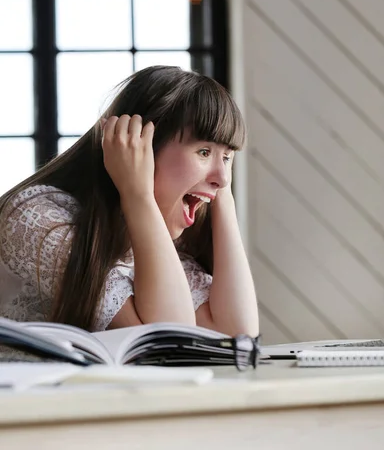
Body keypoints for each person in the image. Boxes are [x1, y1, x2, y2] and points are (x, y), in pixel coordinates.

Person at [0, 66, 259, 337]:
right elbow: (171, 336)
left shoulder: (145, 243)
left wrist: (223, 199)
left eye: (227, 157)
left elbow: (238, 333)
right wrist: (138, 194)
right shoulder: (35, 217)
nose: (222, 178)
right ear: (137, 147)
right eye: (204, 151)